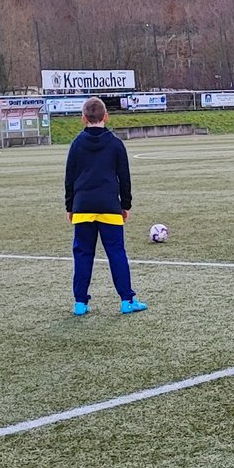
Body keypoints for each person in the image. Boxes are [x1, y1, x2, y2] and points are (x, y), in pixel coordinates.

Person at [64, 97, 145, 315]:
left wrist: (70, 206)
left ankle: (80, 303)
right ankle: (127, 300)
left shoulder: (76, 144)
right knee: (116, 253)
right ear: (106, 116)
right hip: (110, 206)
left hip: (82, 207)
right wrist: (125, 204)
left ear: (83, 118)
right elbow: (124, 178)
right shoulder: (116, 143)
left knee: (82, 255)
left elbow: (69, 178)